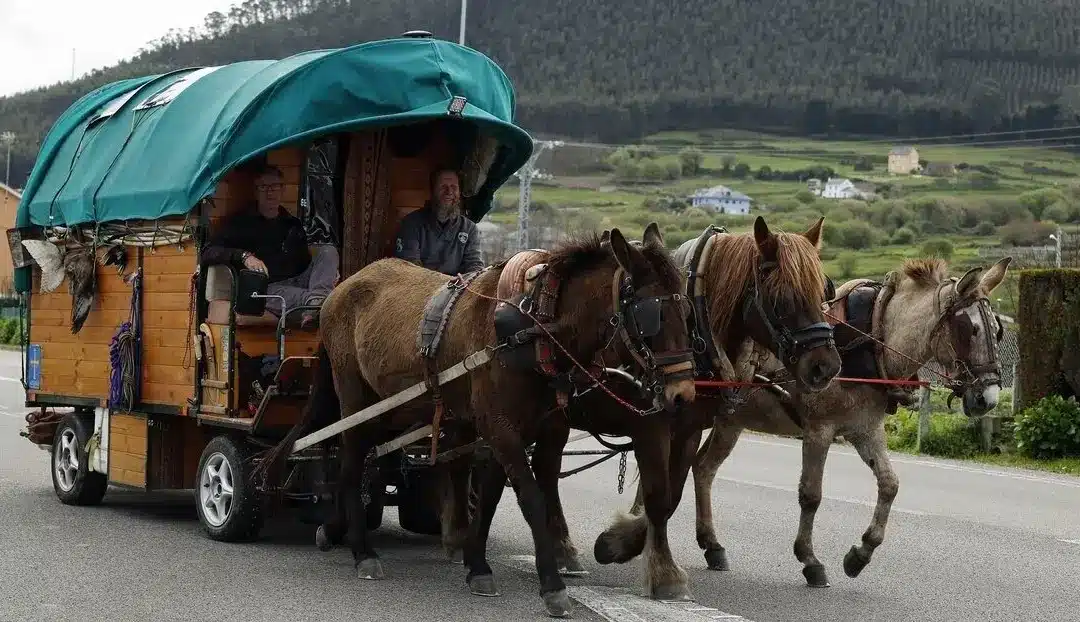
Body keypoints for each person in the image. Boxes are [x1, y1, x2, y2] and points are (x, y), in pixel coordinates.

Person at [201, 163, 339, 327]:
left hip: (298, 280)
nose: (270, 191)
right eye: (263, 187)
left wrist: (325, 273)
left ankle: (315, 305)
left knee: (328, 251)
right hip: (266, 287)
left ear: (282, 190)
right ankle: (316, 306)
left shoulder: (291, 223)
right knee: (310, 298)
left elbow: (304, 261)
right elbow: (207, 252)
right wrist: (245, 256)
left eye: (274, 186)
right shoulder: (240, 224)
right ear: (256, 192)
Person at [394, 168, 484, 275]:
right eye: (443, 187)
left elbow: (474, 265)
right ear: (432, 191)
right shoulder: (411, 223)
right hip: (419, 288)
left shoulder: (469, 229)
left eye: (454, 187)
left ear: (459, 192)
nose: (449, 192)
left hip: (455, 289)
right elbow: (409, 266)